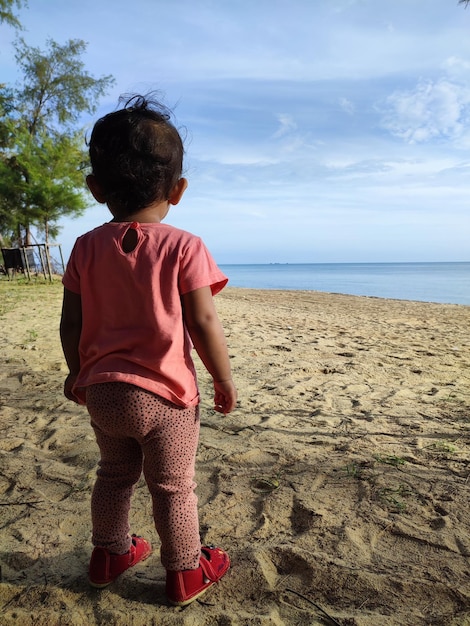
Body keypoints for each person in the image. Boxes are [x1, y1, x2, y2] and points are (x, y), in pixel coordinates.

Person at [60, 94, 237, 606]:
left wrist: (79, 373)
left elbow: (72, 320)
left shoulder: (85, 247)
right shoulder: (184, 246)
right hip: (166, 397)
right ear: (178, 190)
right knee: (172, 487)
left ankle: (109, 553)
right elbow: (203, 321)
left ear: (96, 189)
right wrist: (222, 379)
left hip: (104, 394)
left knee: (114, 476)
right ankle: (185, 571)